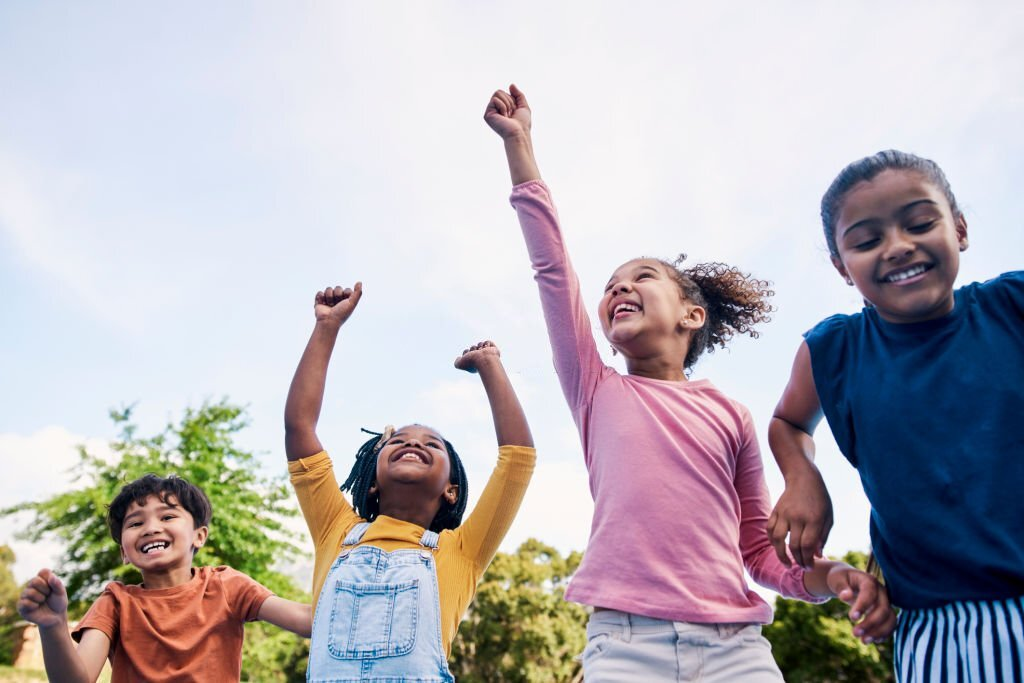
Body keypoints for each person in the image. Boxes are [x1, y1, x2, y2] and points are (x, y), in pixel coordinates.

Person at [484, 84, 895, 682]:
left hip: (736, 649)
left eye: (641, 277)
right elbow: (553, 273)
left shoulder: (731, 415)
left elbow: (759, 553)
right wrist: (520, 146)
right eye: (610, 285)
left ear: (691, 315)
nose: (618, 288)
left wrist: (829, 576)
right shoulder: (594, 388)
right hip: (625, 644)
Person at [766, 150, 1024, 682]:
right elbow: (788, 424)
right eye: (866, 240)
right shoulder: (833, 350)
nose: (898, 246)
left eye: (920, 223)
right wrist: (802, 477)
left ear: (959, 229)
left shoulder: (1012, 306)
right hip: (941, 626)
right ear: (842, 267)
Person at [284, 282, 535, 682]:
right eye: (398, 441)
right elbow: (299, 427)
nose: (413, 442)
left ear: (451, 488)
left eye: (431, 444)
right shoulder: (336, 529)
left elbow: (517, 460)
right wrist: (327, 327)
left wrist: (490, 364)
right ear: (371, 483)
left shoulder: (463, 551)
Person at [17, 474, 311, 682]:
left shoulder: (227, 585)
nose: (150, 528)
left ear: (199, 535)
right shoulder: (115, 602)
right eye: (135, 523)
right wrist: (53, 625)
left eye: (167, 516)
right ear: (124, 552)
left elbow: (304, 620)